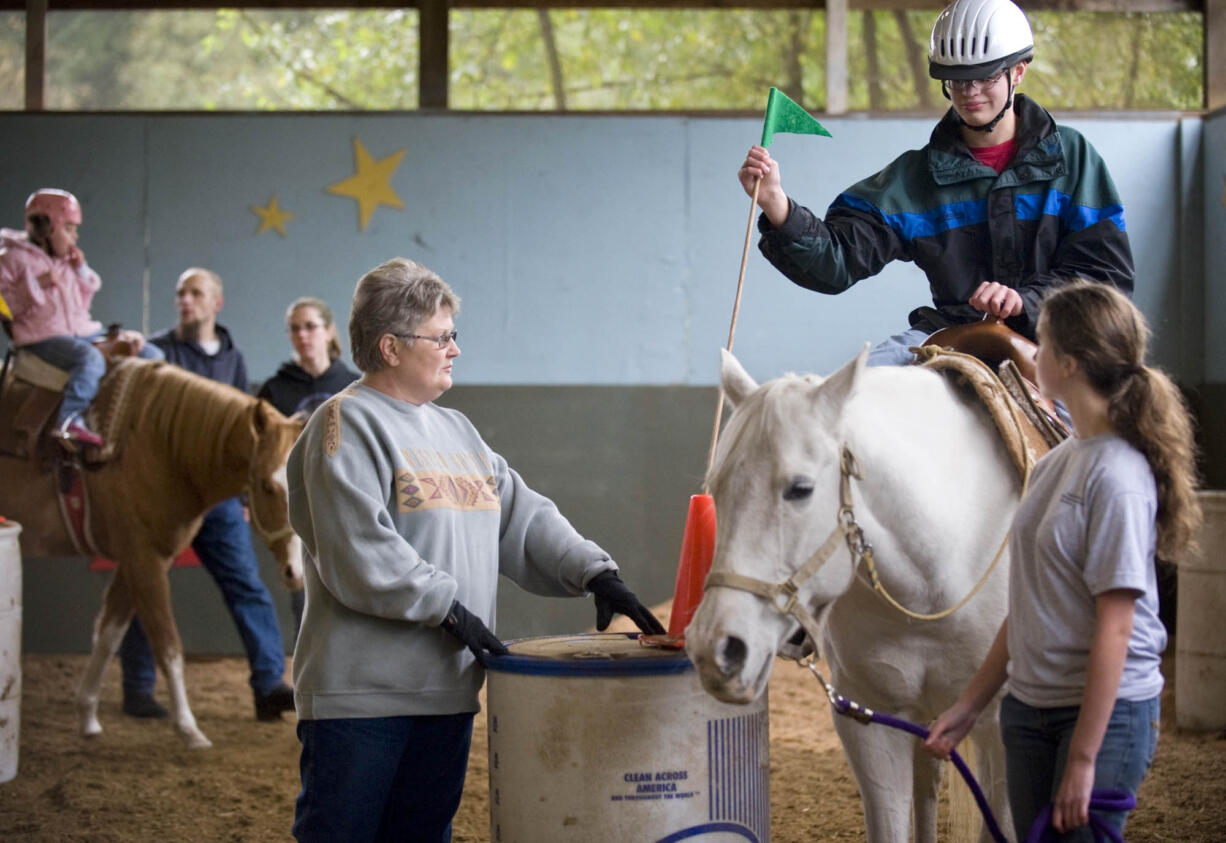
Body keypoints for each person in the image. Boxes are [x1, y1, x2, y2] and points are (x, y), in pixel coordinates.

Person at [287, 257, 665, 842]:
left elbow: (521, 515)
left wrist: (595, 573)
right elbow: (357, 550)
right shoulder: (343, 423)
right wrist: (449, 607)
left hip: (447, 691)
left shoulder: (458, 431)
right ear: (390, 346)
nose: (454, 349)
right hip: (360, 701)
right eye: (441, 337)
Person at [922, 280, 1201, 840]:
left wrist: (1083, 757)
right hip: (1029, 709)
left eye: (1040, 344)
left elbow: (1116, 628)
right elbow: (1029, 603)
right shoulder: (1055, 465)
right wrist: (970, 705)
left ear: (1068, 363)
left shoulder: (1117, 477)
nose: (1031, 354)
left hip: (1102, 715)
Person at [737, 0, 1134, 366]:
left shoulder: (1074, 157)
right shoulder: (914, 178)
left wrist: (1024, 301)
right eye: (957, 80)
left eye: (986, 77)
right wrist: (776, 204)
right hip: (951, 335)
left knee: (1099, 430)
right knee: (861, 387)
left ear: (1018, 71)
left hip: (1058, 340)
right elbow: (837, 262)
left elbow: (1106, 275)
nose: (970, 92)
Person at [117, 267, 294, 722]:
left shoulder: (233, 358)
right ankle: (138, 690)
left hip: (217, 501)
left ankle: (269, 684)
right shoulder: (157, 352)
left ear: (217, 302)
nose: (184, 300)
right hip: (165, 498)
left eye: (195, 293)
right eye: (180, 293)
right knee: (145, 584)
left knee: (247, 584)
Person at [0, 188, 163, 448]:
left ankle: (143, 420)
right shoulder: (11, 258)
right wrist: (34, 286)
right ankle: (70, 420)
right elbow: (3, 309)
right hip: (42, 337)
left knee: (151, 354)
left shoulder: (64, 259)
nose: (75, 238)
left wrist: (80, 270)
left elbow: (82, 304)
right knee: (89, 359)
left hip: (81, 331)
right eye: (69, 229)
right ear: (45, 228)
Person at [257, 296, 357, 636]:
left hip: (348, 503)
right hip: (300, 507)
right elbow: (263, 454)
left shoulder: (356, 385)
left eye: (310, 326)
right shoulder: (275, 389)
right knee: (305, 590)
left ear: (329, 331)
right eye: (295, 329)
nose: (303, 335)